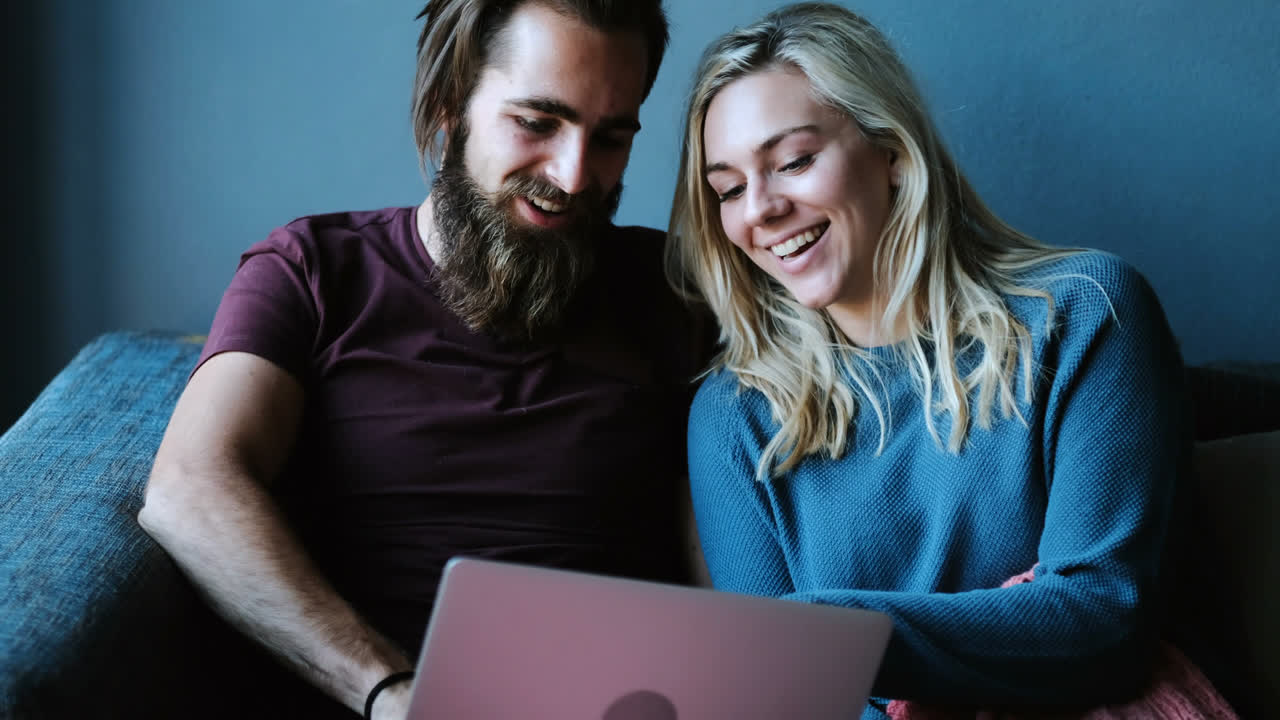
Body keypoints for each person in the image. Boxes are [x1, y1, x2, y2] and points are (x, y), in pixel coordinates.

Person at [138, 2, 707, 718]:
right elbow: (190, 488)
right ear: (449, 105)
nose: (572, 175)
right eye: (536, 123)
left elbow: (720, 564)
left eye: (611, 137)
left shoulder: (671, 292)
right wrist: (389, 692)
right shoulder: (313, 272)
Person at [666, 3, 1220, 717]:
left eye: (794, 161)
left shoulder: (1085, 313)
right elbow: (780, 690)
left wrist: (831, 634)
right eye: (729, 189)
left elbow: (1102, 618)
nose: (761, 209)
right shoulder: (733, 413)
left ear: (892, 152)